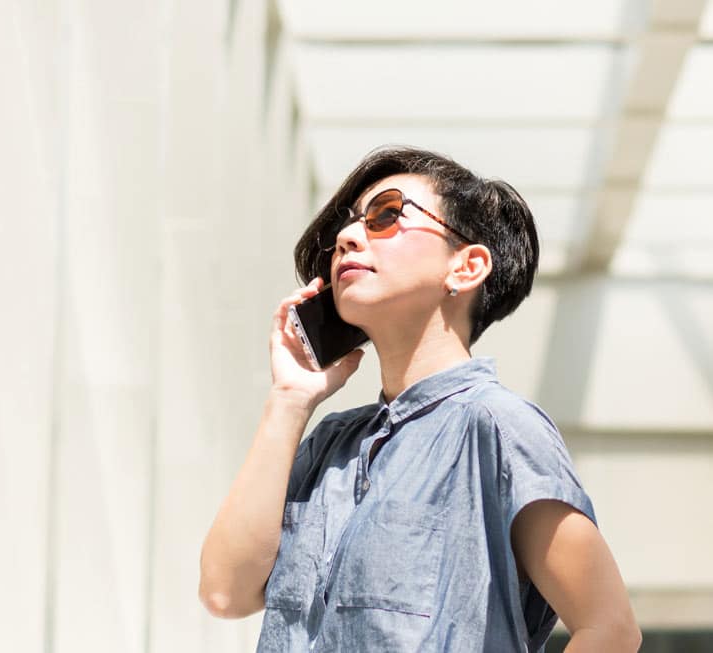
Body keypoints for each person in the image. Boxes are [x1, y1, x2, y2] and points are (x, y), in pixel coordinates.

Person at [198, 147, 641, 652]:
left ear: (466, 266)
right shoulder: (330, 444)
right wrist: (290, 400)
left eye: (386, 215)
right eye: (348, 227)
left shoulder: (497, 428)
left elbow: (609, 628)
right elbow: (224, 591)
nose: (346, 238)